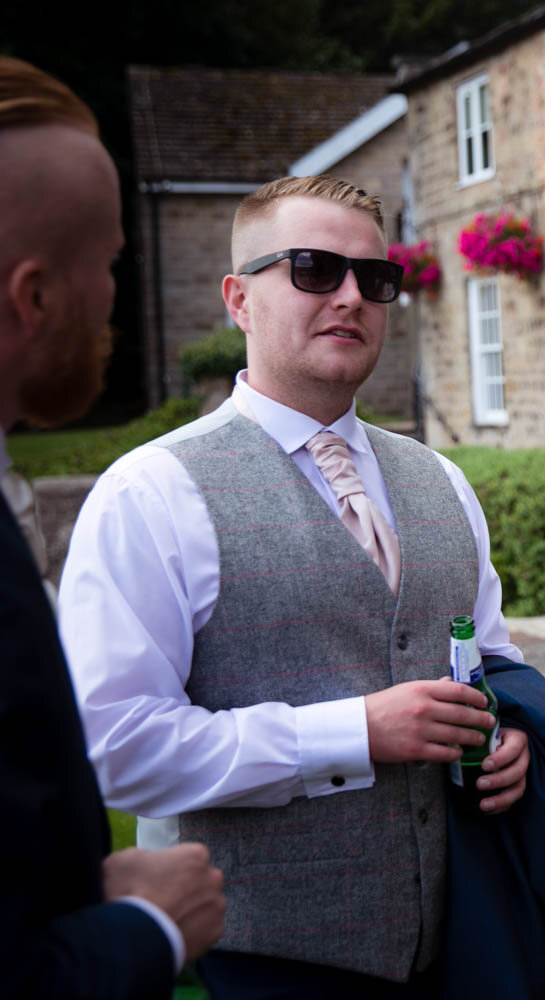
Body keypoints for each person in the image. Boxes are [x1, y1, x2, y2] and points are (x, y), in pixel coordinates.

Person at [58, 174, 532, 996]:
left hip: (461, 941)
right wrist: (354, 731)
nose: (352, 296)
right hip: (261, 956)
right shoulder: (151, 492)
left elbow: (495, 664)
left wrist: (512, 741)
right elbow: (119, 749)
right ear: (240, 299)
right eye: (314, 268)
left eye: (375, 279)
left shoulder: (442, 482)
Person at [0, 56, 226, 998]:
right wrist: (143, 929)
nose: (115, 307)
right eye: (109, 266)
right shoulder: (148, 490)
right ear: (34, 296)